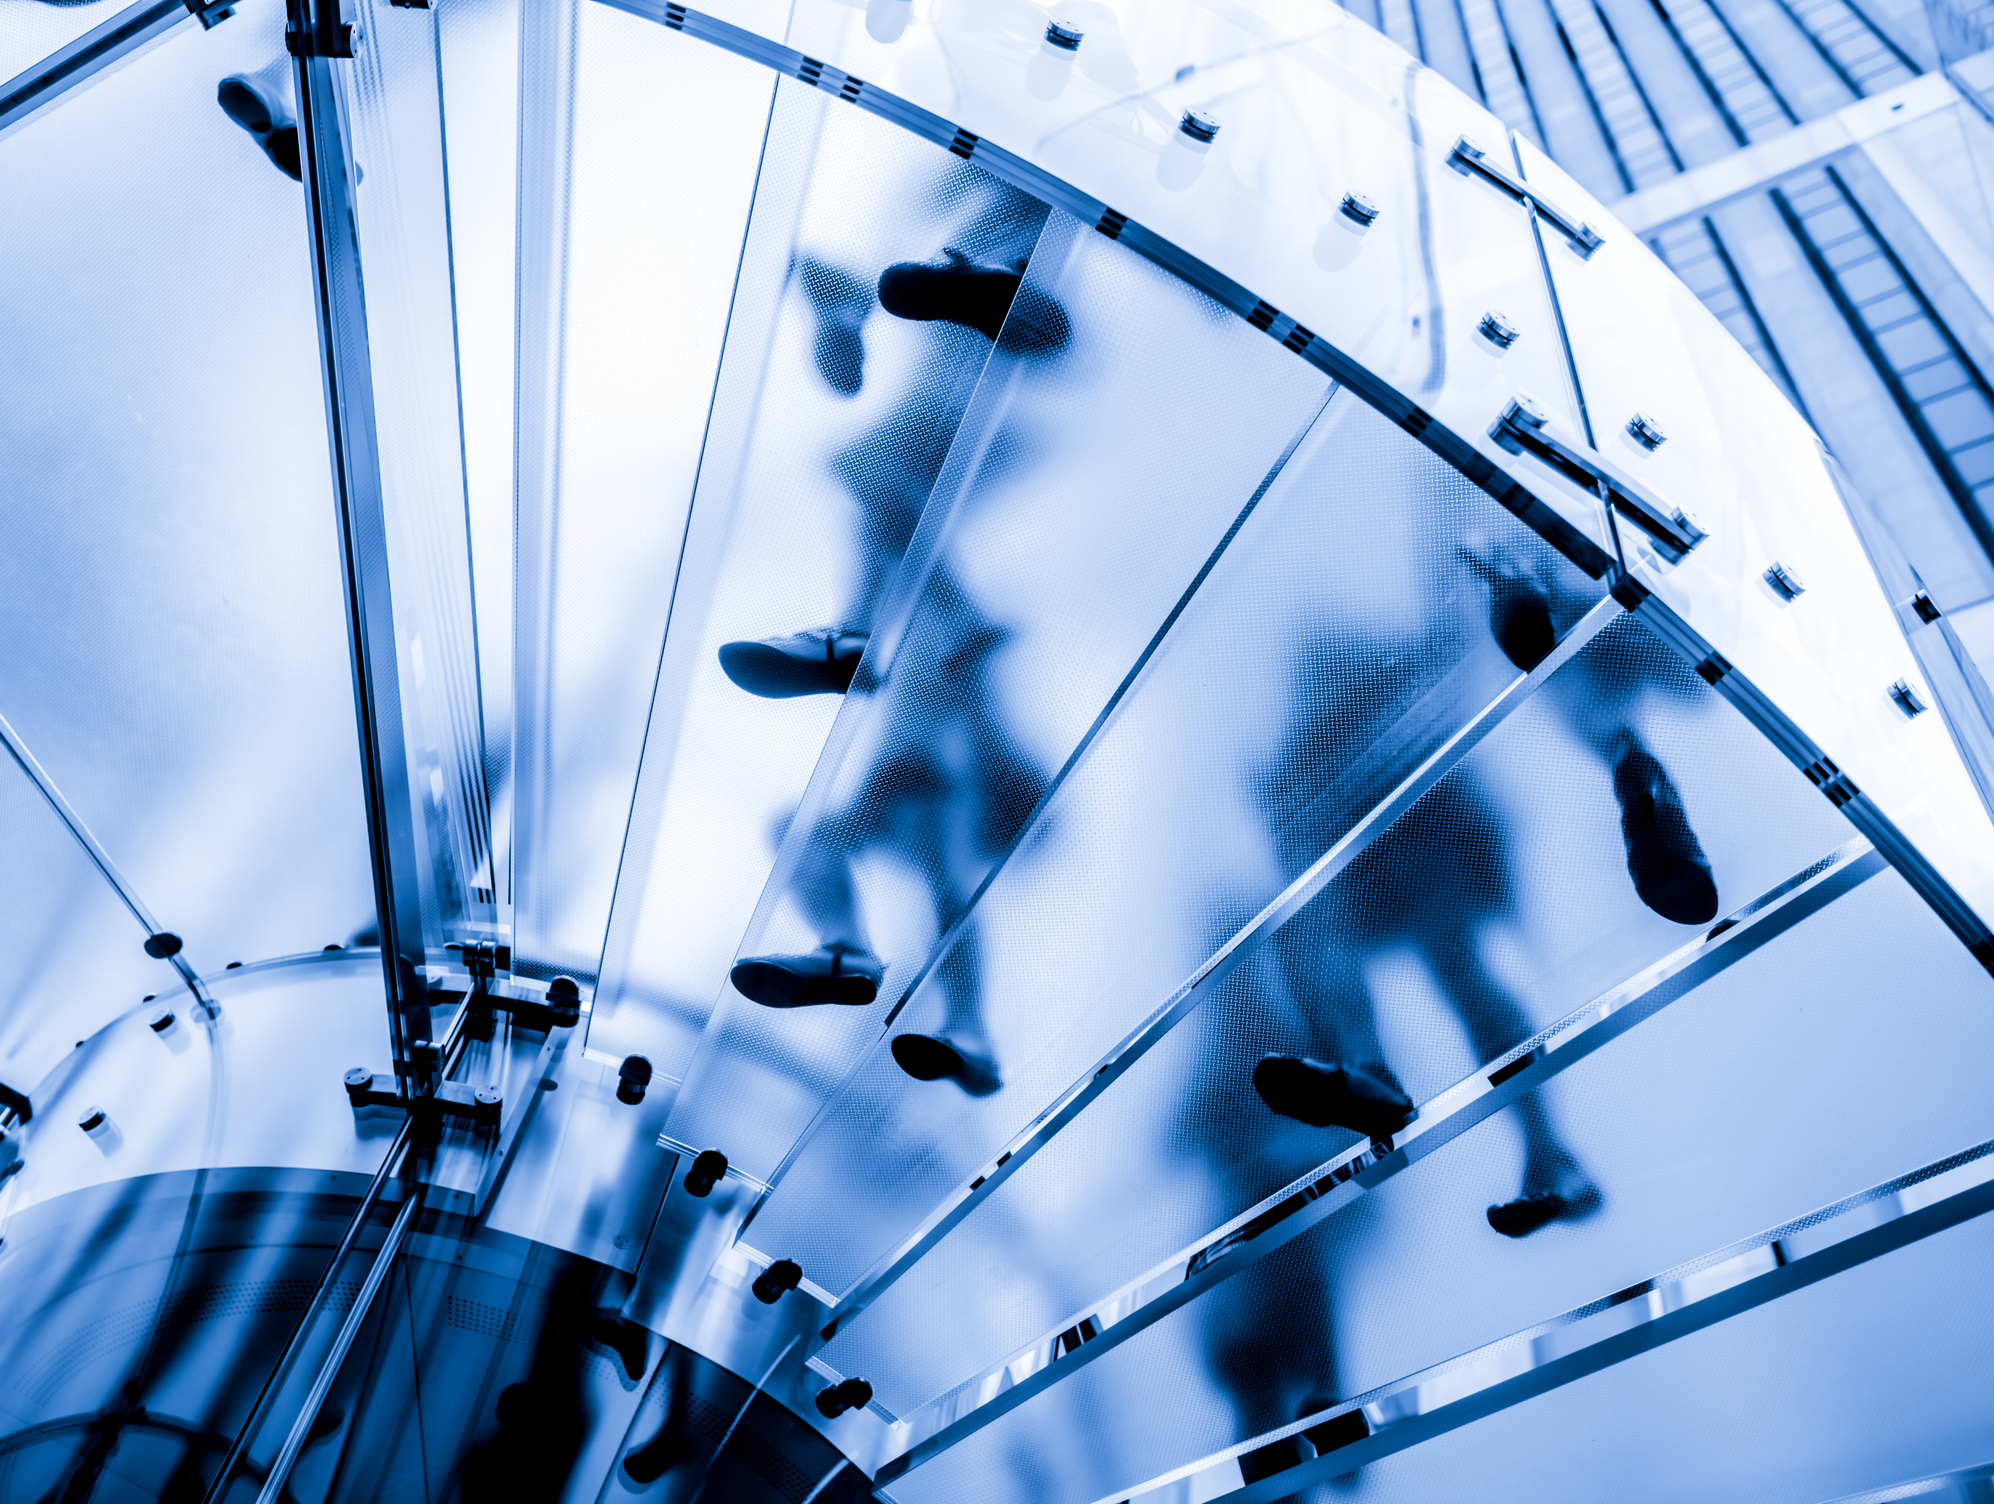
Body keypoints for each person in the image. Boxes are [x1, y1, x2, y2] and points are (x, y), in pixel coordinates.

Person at [718, 180, 1069, 1095]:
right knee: (877, 483)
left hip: (933, 727)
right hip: (940, 716)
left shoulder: (952, 764)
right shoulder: (962, 749)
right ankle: (924, 998)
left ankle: (867, 960)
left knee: (873, 476)